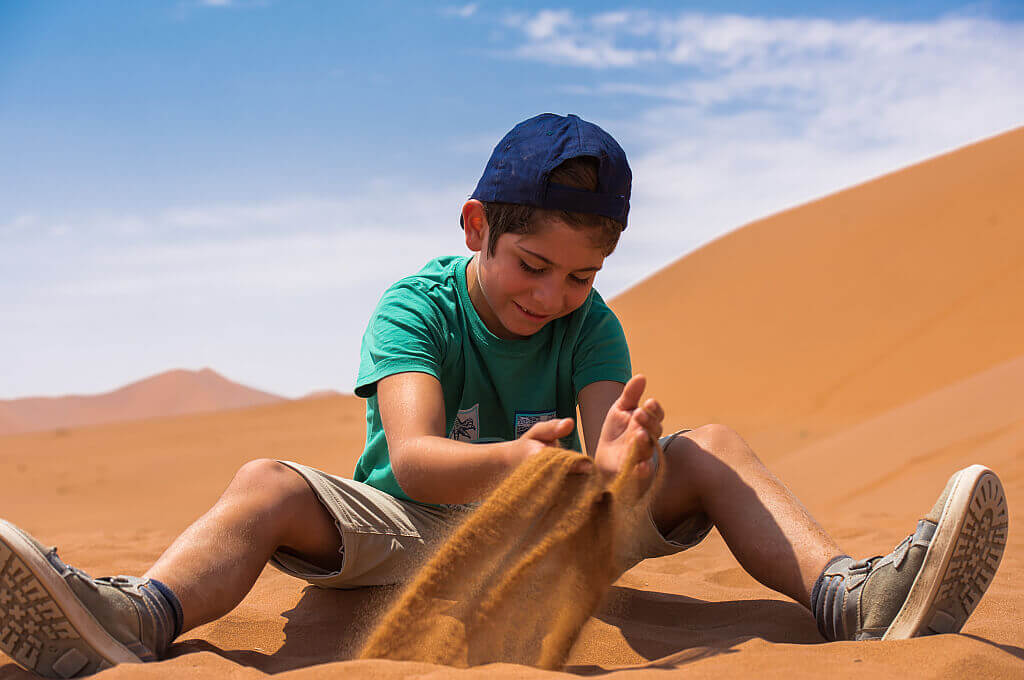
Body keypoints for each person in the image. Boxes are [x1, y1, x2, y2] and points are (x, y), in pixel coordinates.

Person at [0, 113, 1008, 678]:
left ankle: (855, 598)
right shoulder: (417, 306)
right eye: (532, 265)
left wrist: (620, 468)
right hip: (408, 528)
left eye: (580, 277)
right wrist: (518, 465)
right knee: (265, 481)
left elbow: (606, 457)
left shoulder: (589, 325)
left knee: (709, 445)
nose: (552, 296)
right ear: (477, 225)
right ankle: (137, 615)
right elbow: (414, 458)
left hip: (552, 533)